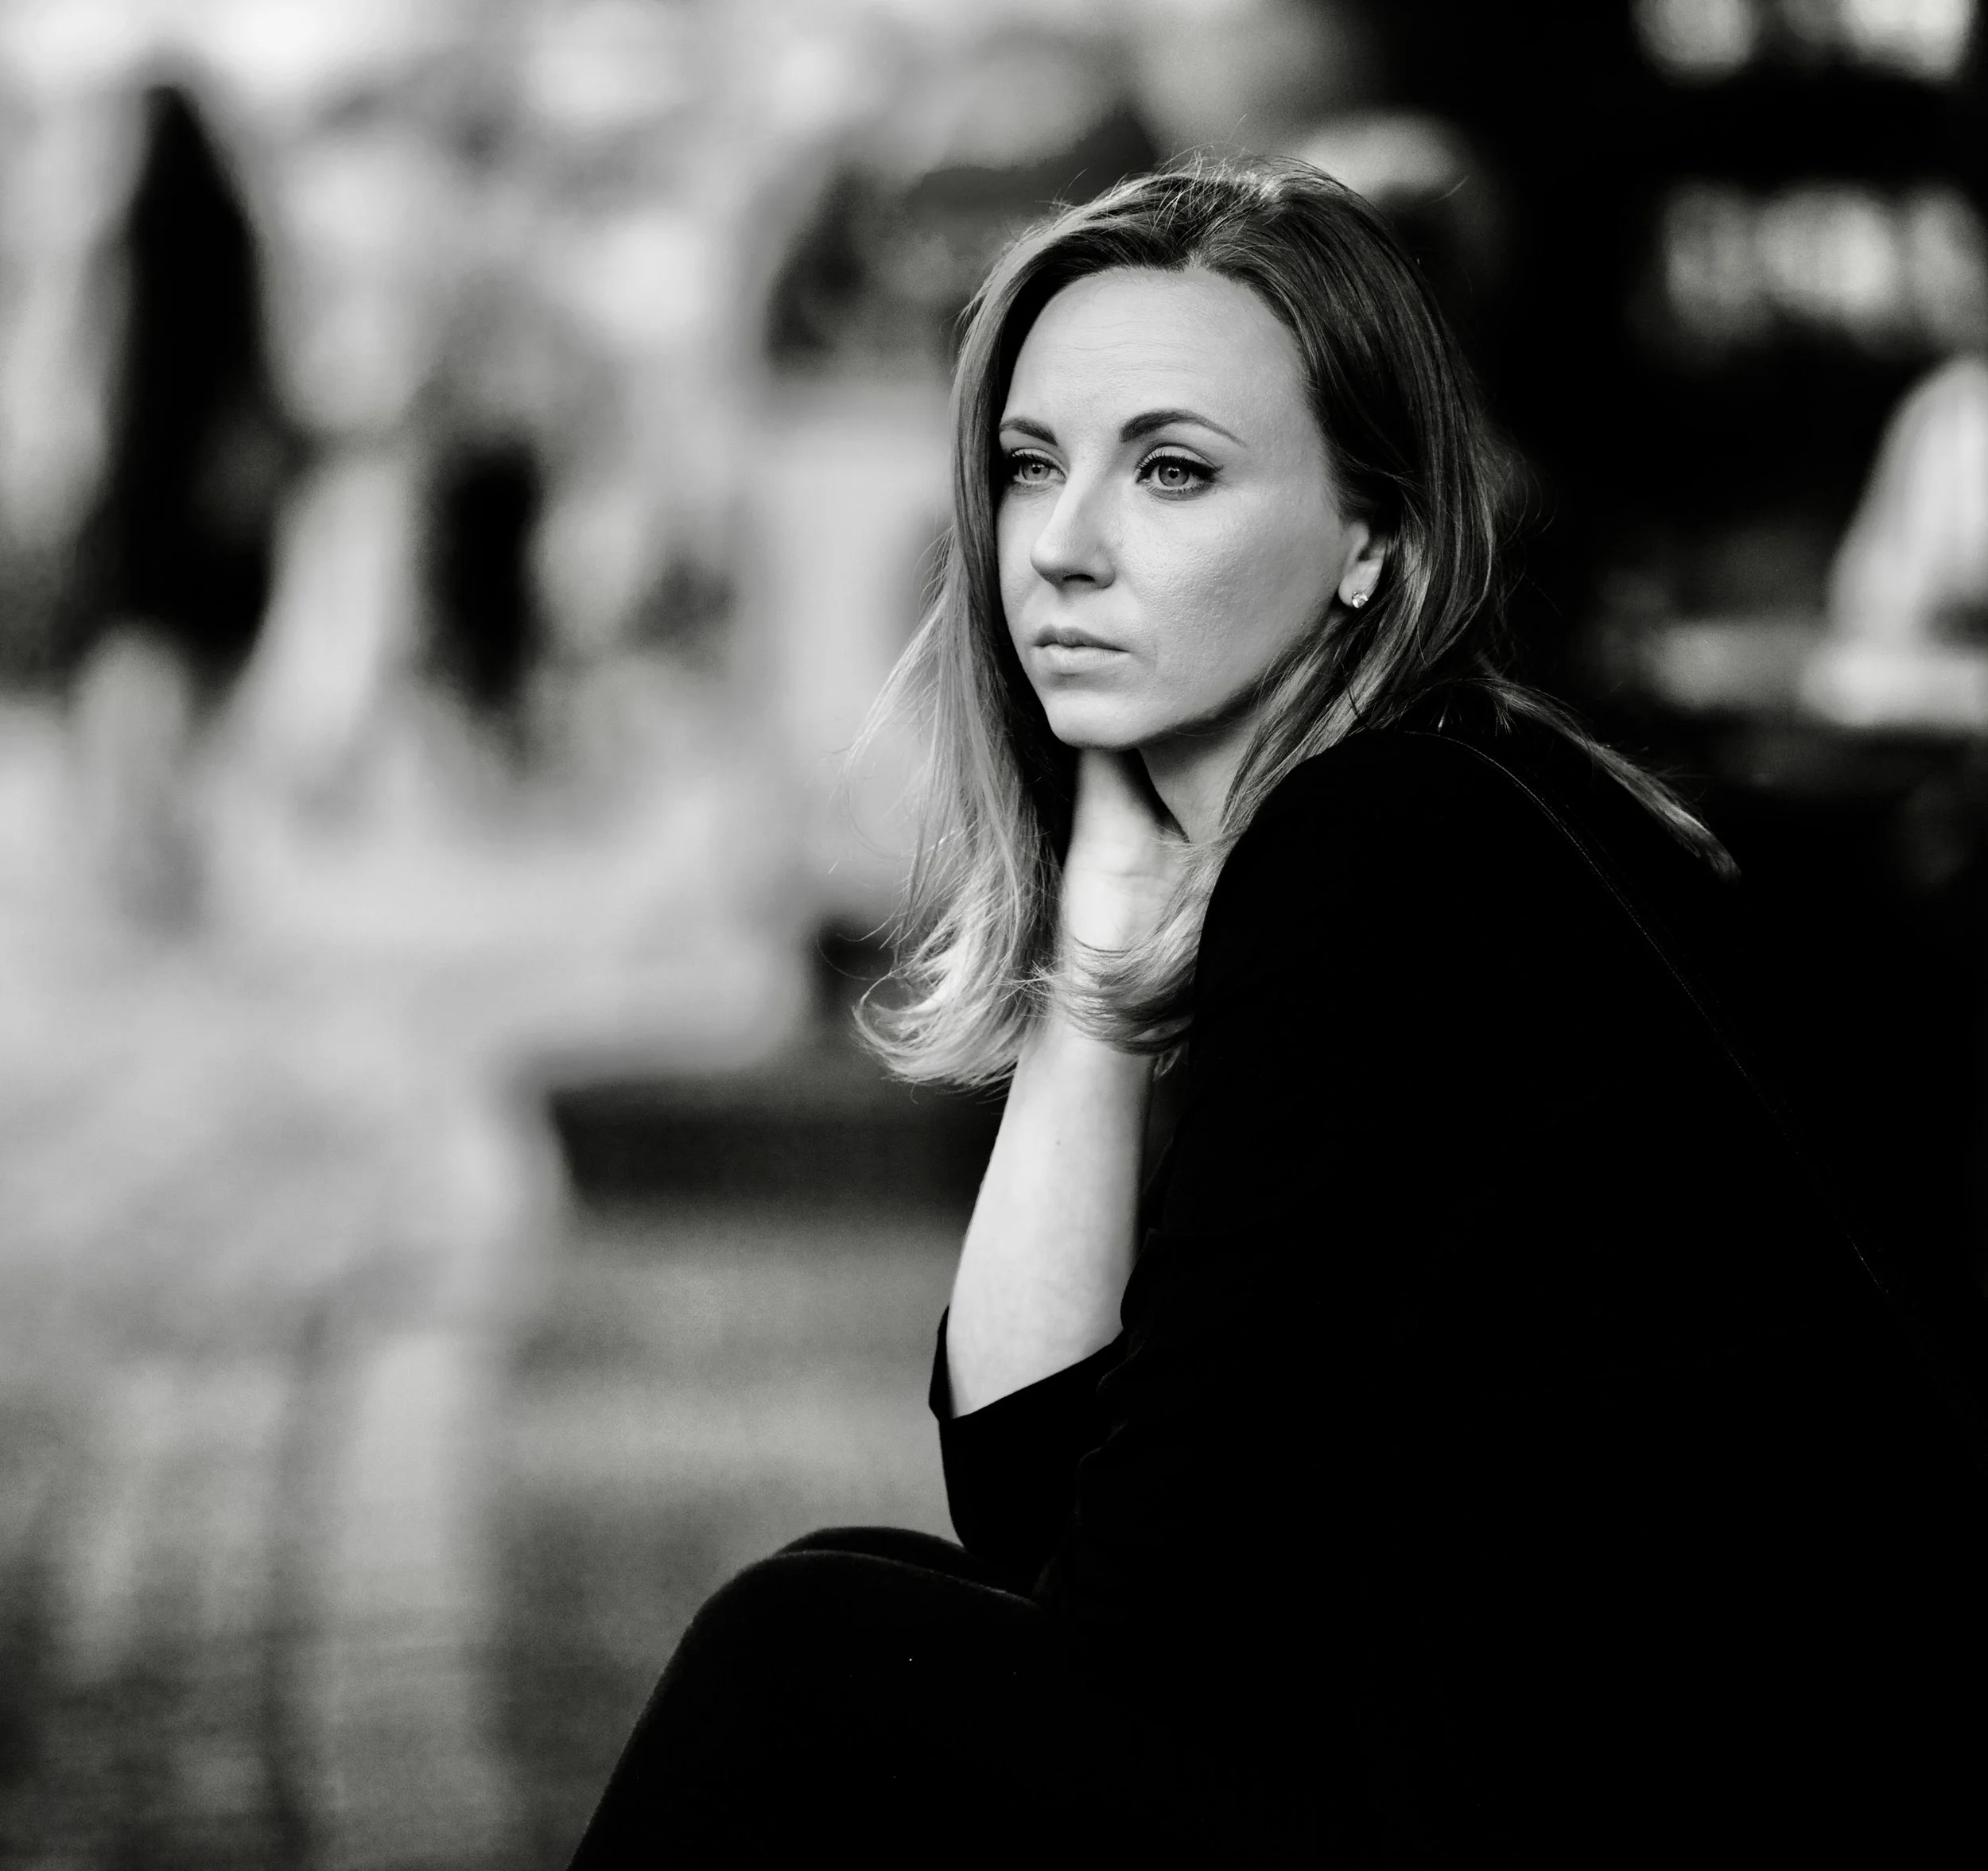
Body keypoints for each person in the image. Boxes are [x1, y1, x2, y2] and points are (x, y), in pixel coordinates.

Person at [569, 159, 1988, 1864]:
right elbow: (1040, 1523)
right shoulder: (1416, 798)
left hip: (1666, 1814)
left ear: (1373, 540)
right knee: (845, 1594)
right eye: (1030, 467)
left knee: (793, 1656)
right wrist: (1095, 959)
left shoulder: (1386, 843)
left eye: (1171, 470)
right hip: (1513, 1749)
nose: (1064, 548)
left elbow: (1123, 1617)